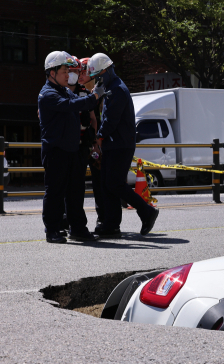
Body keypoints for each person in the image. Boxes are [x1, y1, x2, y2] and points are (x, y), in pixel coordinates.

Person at [88, 52, 159, 237]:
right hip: (114, 144)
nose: (98, 80)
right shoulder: (111, 86)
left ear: (107, 70)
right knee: (107, 184)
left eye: (99, 76)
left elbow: (111, 119)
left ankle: (146, 211)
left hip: (120, 144)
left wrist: (99, 137)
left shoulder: (117, 89)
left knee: (115, 183)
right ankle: (111, 225)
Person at [38, 51, 103, 243]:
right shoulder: (48, 94)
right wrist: (94, 97)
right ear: (52, 72)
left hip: (73, 149)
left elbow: (76, 103)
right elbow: (70, 105)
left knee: (76, 191)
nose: (68, 74)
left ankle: (78, 229)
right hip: (56, 150)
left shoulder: (64, 90)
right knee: (55, 191)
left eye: (68, 70)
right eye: (64, 70)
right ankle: (52, 230)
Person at [77, 57, 107, 229]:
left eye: (84, 72)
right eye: (78, 72)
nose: (80, 75)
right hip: (82, 142)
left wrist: (98, 141)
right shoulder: (75, 90)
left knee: (99, 182)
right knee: (76, 182)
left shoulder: (102, 91)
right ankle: (74, 219)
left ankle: (102, 218)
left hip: (97, 142)